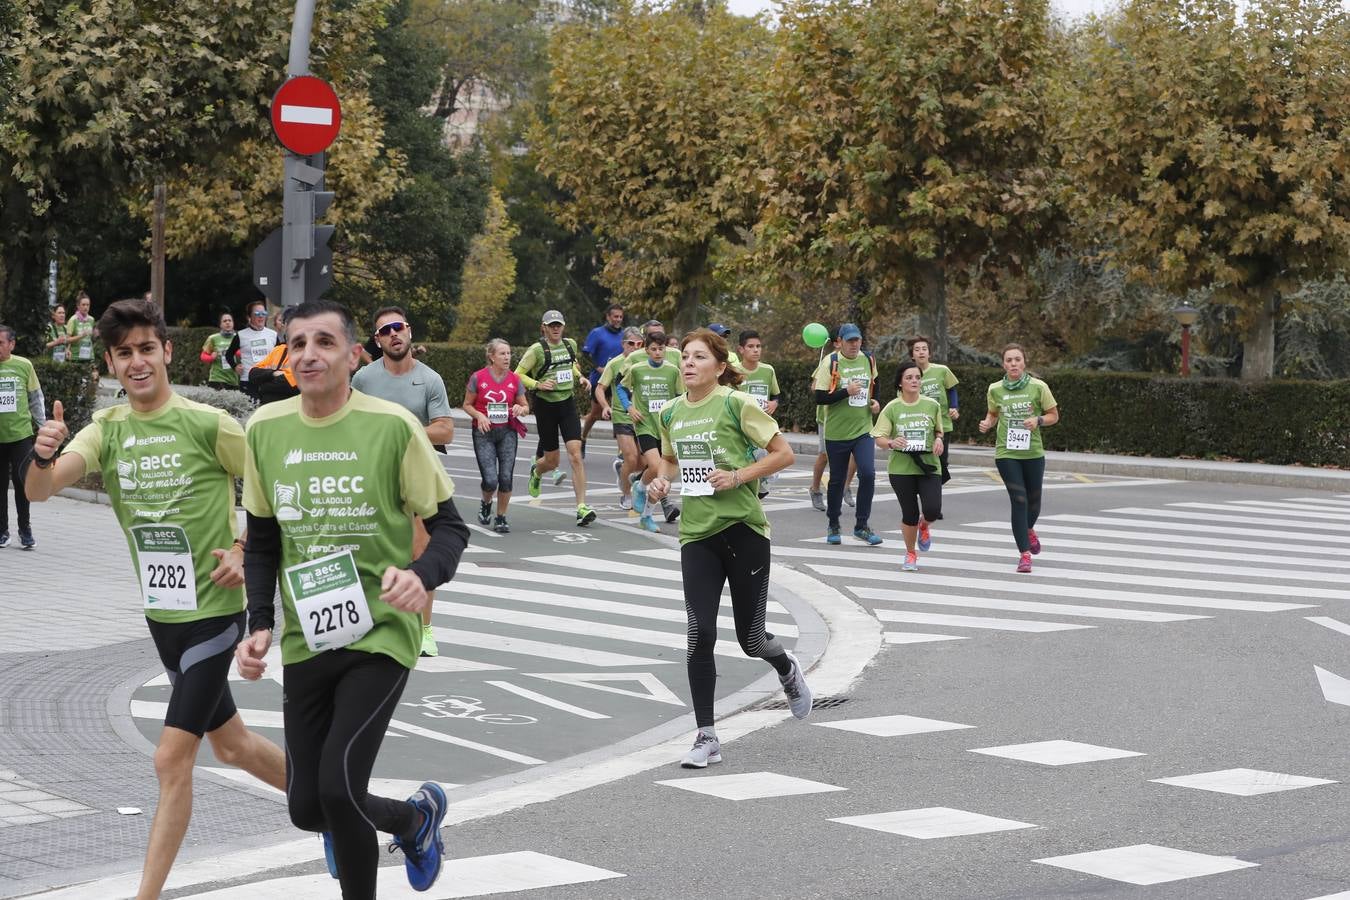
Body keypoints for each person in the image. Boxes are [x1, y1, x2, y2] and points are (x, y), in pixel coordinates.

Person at [23, 299, 286, 899]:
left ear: (166, 351)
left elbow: (276, 497)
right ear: (111, 364)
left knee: (171, 760)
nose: (137, 363)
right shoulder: (107, 428)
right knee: (235, 745)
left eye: (147, 349)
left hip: (214, 615)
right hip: (162, 617)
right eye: (124, 354)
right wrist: (41, 453)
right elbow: (40, 492)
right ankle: (365, 814)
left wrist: (245, 552)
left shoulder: (208, 423)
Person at [234, 298, 468, 897]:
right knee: (308, 808)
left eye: (325, 342)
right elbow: (262, 541)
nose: (310, 353)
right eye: (299, 343)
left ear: (352, 355)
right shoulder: (265, 429)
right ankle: (413, 819)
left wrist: (422, 575)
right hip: (309, 634)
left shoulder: (392, 427)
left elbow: (451, 527)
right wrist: (259, 623)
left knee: (338, 792)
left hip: (382, 630)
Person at [644, 328, 811, 768]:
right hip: (697, 536)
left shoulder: (738, 404)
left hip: (743, 531)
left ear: (719, 367)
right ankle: (707, 735)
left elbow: (784, 453)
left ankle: (786, 669)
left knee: (751, 640)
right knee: (699, 633)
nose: (688, 363)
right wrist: (661, 480)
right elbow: (671, 460)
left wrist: (738, 476)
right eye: (685, 357)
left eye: (699, 357)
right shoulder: (672, 412)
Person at [353, 308, 456, 658]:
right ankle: (367, 621)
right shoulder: (364, 379)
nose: (394, 334)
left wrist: (403, 433)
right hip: (373, 477)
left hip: (419, 476)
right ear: (377, 340)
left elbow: (446, 429)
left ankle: (424, 629)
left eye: (399, 327)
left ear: (409, 332)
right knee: (370, 550)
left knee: (420, 552)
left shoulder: (430, 379)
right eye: (385, 331)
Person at [978, 343, 1060, 573]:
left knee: (1034, 502)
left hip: (1033, 452)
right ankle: (1024, 555)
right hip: (1007, 453)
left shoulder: (1038, 387)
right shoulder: (995, 389)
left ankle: (1028, 529)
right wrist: (987, 423)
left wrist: (1038, 421)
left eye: (1017, 359)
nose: (1013, 364)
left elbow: (1054, 415)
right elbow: (993, 413)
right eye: (1009, 360)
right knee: (1019, 500)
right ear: (1003, 364)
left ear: (1024, 362)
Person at [514, 309, 596, 527]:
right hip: (545, 406)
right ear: (544, 327)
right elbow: (517, 375)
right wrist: (537, 384)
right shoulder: (536, 350)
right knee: (552, 461)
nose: (556, 328)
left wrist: (581, 378)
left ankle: (581, 507)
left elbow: (570, 364)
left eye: (559, 324)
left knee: (575, 455)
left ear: (564, 326)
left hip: (567, 403)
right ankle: (537, 470)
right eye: (552, 325)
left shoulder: (570, 344)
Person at [813, 322, 882, 546]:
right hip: (836, 432)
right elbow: (820, 397)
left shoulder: (868, 359)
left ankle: (862, 526)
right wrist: (846, 392)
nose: (854, 345)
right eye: (849, 341)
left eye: (857, 340)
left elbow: (874, 384)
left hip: (863, 429)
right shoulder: (831, 362)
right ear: (839, 342)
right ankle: (833, 523)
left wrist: (875, 402)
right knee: (836, 480)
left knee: (869, 474)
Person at [873, 361, 944, 572]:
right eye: (909, 378)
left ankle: (925, 525)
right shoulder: (893, 407)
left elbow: (939, 431)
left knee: (932, 510)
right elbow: (879, 438)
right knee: (910, 514)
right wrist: (892, 443)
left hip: (928, 465)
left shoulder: (932, 405)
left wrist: (939, 440)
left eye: (917, 377)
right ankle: (910, 553)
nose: (914, 381)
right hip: (901, 468)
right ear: (900, 383)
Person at [463, 339, 529, 534]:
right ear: (491, 356)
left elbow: (525, 407)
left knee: (506, 477)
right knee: (491, 480)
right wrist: (479, 415)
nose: (507, 357)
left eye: (509, 353)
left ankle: (501, 517)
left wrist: (520, 408)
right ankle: (486, 502)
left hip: (507, 431)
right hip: (484, 433)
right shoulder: (478, 377)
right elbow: (467, 405)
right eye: (502, 354)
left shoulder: (514, 380)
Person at [620, 331, 682, 532]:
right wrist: (630, 407)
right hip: (645, 424)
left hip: (666, 427)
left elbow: (681, 396)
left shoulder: (673, 371)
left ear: (666, 349)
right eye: (653, 349)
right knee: (656, 467)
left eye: (661, 348)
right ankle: (639, 486)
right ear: (646, 350)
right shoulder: (637, 369)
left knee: (663, 477)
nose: (657, 352)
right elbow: (620, 388)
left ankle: (646, 515)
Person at [0, 324, 43, 549]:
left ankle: (25, 530)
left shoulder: (24, 365)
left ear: (11, 344)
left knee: (21, 482)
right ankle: (1, 531)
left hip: (20, 435)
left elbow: (35, 398)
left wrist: (43, 426)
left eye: (0, 343)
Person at [595, 327, 645, 509]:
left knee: (645, 462)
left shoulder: (646, 362)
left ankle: (623, 470)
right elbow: (600, 388)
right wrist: (606, 406)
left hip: (642, 417)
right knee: (631, 458)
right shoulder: (615, 363)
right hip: (621, 415)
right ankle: (626, 494)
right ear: (623, 344)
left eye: (640, 344)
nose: (635, 347)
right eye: (631, 343)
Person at [808, 327, 855, 512]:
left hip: (851, 415)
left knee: (856, 454)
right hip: (828, 416)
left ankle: (846, 486)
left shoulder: (857, 360)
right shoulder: (829, 361)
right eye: (842, 340)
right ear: (837, 342)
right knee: (825, 455)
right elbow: (814, 387)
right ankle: (815, 489)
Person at [908, 335, 959, 484]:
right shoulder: (909, 374)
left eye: (924, 349)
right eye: (917, 350)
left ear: (929, 353)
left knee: (941, 460)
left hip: (942, 423)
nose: (921, 352)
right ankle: (928, 488)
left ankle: (938, 480)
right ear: (912, 355)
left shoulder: (942, 370)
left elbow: (952, 389)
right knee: (921, 458)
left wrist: (954, 407)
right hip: (920, 424)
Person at [580, 303, 626, 452]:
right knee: (596, 414)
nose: (618, 319)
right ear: (608, 317)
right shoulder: (597, 333)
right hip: (600, 380)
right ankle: (583, 437)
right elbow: (585, 354)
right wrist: (598, 367)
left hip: (620, 380)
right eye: (615, 316)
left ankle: (621, 450)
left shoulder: (625, 336)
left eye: (620, 317)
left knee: (619, 414)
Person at [226, 300, 278, 399]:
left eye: (263, 313)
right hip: (248, 380)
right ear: (249, 317)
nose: (261, 316)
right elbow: (229, 354)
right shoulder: (241, 335)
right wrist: (235, 366)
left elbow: (281, 354)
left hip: (268, 379)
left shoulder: (273, 334)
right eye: (257, 313)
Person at [248, 308, 299, 405]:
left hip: (290, 408)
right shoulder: (278, 349)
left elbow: (291, 384)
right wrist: (273, 373)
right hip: (267, 409)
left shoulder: (305, 351)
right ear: (283, 325)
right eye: (288, 323)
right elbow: (252, 374)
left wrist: (262, 385)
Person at [200, 312, 240, 391]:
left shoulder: (239, 338)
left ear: (233, 323)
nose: (227, 322)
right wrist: (211, 357)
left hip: (233, 379)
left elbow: (246, 354)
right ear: (220, 325)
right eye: (224, 321)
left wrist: (237, 353)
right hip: (217, 378)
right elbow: (203, 356)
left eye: (230, 320)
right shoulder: (213, 338)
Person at [66, 291, 98, 364]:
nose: (86, 307)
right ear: (78, 306)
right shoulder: (73, 320)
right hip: (76, 358)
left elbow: (90, 338)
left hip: (89, 356)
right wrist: (80, 336)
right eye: (83, 305)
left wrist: (96, 334)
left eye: (87, 305)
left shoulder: (91, 319)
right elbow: (67, 340)